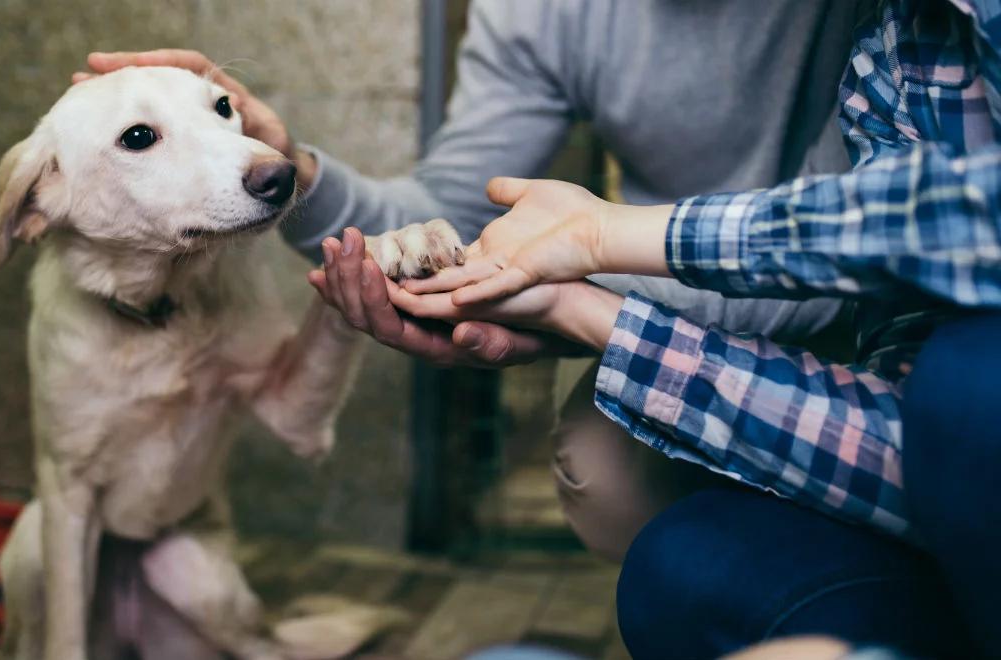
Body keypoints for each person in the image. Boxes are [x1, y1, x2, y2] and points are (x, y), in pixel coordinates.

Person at [370, 0, 1001, 655]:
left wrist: (607, 240)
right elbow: (920, 441)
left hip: (823, 318)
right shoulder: (892, 41)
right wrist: (577, 311)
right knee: (673, 565)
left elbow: (930, 226)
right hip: (900, 396)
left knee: (969, 385)